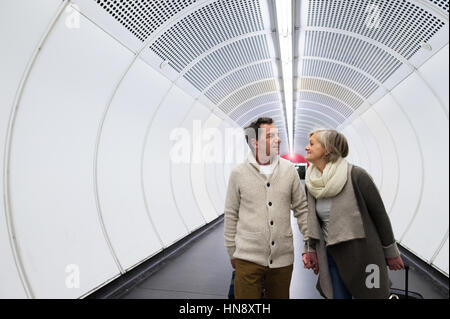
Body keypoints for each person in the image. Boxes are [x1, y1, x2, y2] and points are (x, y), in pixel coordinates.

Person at [301, 129, 404, 299]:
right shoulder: (312, 183)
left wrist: (391, 253)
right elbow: (312, 221)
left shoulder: (356, 176)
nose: (306, 147)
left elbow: (380, 217)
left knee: (373, 296)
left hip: (365, 256)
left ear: (327, 149)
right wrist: (310, 248)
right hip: (332, 256)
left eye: (311, 144)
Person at [224, 117, 309, 299]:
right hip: (247, 258)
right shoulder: (238, 173)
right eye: (271, 136)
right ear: (255, 143)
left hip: (282, 259)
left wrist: (309, 244)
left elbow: (302, 209)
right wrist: (232, 250)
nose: (278, 140)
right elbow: (231, 213)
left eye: (277, 135)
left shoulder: (289, 170)